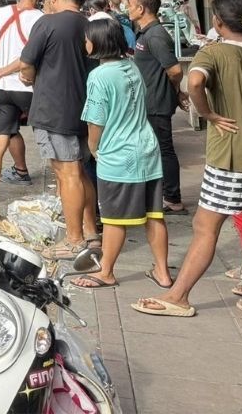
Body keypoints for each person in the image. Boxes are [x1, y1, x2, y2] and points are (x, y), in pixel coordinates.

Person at [132, 0, 242, 317]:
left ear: (219, 23)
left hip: (232, 156)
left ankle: (179, 295)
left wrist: (208, 114)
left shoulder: (214, 51)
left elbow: (193, 80)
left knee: (205, 226)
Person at [69, 18, 171, 290]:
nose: (85, 42)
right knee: (154, 215)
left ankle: (106, 272)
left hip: (118, 154)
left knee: (114, 219)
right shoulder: (132, 66)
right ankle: (162, 271)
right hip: (147, 149)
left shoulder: (100, 76)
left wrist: (93, 149)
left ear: (98, 42)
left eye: (87, 37)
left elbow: (96, 121)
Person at [19, 0, 100, 260]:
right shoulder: (90, 25)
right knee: (79, 173)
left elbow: (27, 66)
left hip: (54, 109)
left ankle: (74, 239)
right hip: (84, 109)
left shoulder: (48, 23)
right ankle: (91, 232)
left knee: (67, 175)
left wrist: (28, 77)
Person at [0, 0, 47, 220]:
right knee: (52, 140)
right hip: (30, 89)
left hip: (1, 90)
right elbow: (29, 58)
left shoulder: (0, 13)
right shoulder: (42, 19)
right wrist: (3, 71)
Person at [126, 0, 190, 216]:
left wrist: (175, 90)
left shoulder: (155, 35)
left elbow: (173, 70)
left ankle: (172, 199)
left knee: (164, 149)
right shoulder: (146, 33)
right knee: (152, 149)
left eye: (130, 5)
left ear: (141, 9)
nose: (128, 8)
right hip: (149, 100)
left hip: (156, 102)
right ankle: (157, 192)